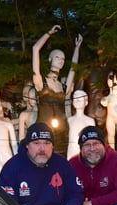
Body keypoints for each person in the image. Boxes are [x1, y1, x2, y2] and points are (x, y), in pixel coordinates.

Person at [32, 25, 83, 156]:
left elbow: (73, 69)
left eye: (63, 59)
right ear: (50, 59)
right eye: (57, 57)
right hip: (43, 133)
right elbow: (35, 49)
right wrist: (49, 33)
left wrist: (77, 48)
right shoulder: (40, 82)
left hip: (61, 133)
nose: (60, 61)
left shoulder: (63, 86)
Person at [67, 90, 96, 159]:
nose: (77, 101)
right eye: (75, 98)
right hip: (71, 150)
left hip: (85, 151)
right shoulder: (69, 120)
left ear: (86, 102)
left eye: (80, 99)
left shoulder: (90, 121)